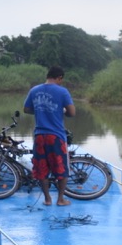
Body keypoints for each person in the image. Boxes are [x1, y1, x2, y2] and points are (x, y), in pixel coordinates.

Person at [22, 65, 76, 206]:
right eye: (61, 80)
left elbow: (26, 109)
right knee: (62, 168)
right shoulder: (62, 91)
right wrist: (60, 111)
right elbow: (72, 113)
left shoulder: (34, 90)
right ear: (59, 78)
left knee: (41, 168)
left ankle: (47, 199)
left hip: (40, 136)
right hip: (56, 136)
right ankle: (60, 199)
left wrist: (41, 111)